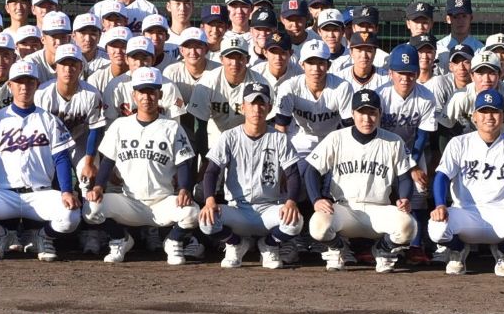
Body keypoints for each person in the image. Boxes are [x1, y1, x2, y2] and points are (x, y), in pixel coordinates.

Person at [0, 60, 82, 261]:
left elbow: (61, 159)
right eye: (19, 82)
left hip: (40, 193)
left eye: (29, 82)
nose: (24, 87)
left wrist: (66, 191)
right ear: (10, 85)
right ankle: (0, 235)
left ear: (37, 85)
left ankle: (42, 237)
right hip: (3, 194)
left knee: (71, 217)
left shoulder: (49, 120)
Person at [84, 67, 199, 264]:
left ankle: (173, 241)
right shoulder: (120, 125)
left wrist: (184, 189)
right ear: (134, 95)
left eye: (151, 92)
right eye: (142, 92)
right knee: (91, 208)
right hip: (130, 202)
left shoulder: (172, 126)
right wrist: (98, 187)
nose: (147, 97)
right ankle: (120, 239)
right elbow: (107, 161)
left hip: (163, 201)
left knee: (193, 212)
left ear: (159, 95)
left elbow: (184, 163)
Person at [302, 89, 418, 272]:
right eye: (361, 112)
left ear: (380, 114)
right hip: (345, 209)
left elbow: (404, 177)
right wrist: (316, 199)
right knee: (318, 226)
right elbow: (311, 171)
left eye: (372, 113)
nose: (367, 119)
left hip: (380, 209)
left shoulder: (394, 141)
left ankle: (383, 249)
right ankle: (338, 248)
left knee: (408, 226)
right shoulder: (336, 138)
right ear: (352, 113)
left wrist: (405, 198)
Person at [430, 90, 504, 277]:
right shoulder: (459, 143)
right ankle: (458, 250)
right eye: (483, 111)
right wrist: (440, 205)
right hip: (466, 213)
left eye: (495, 111)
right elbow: (442, 176)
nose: (489, 116)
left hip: (503, 214)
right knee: (436, 228)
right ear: (474, 117)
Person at [199, 82, 304, 269]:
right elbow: (212, 171)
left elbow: (293, 174)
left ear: (269, 108)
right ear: (242, 107)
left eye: (262, 104)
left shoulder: (279, 138)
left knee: (295, 222)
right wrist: (209, 200)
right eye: (252, 103)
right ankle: (236, 244)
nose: (257, 109)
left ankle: (269, 245)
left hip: (269, 208)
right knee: (206, 221)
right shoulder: (229, 136)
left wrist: (290, 202)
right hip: (238, 209)